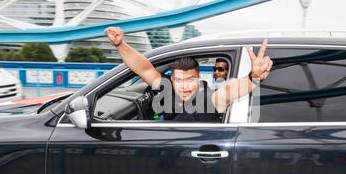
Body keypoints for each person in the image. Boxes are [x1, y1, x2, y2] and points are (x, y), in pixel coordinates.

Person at [104, 26, 272, 122]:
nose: (184, 86)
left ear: (199, 79)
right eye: (178, 80)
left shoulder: (208, 99)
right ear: (171, 80)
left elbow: (229, 92)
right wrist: (120, 45)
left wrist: (253, 77)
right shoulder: (168, 90)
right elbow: (144, 69)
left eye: (190, 80)